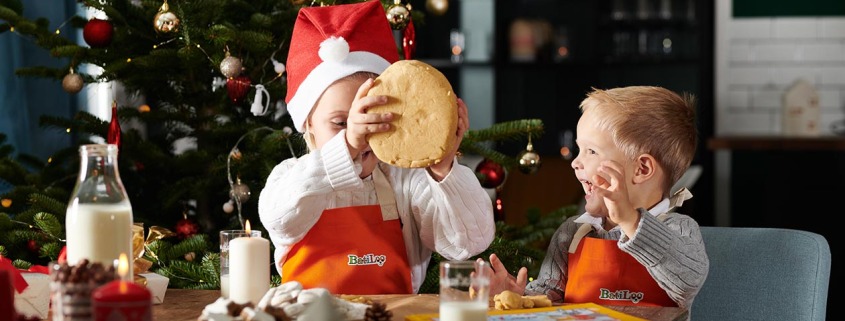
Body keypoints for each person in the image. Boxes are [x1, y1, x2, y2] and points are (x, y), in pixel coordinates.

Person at [257, 0, 495, 295]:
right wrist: (347, 146)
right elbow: (281, 219)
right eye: (341, 123)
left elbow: (466, 243)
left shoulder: (405, 183)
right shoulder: (291, 178)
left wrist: (442, 167)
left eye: (371, 120)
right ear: (308, 125)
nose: (361, 133)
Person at [486, 86, 709, 309]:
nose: (575, 162)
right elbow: (549, 293)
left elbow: (688, 281)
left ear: (641, 169)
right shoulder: (571, 233)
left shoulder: (679, 229)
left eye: (591, 151)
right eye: (579, 149)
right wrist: (521, 297)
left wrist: (631, 221)